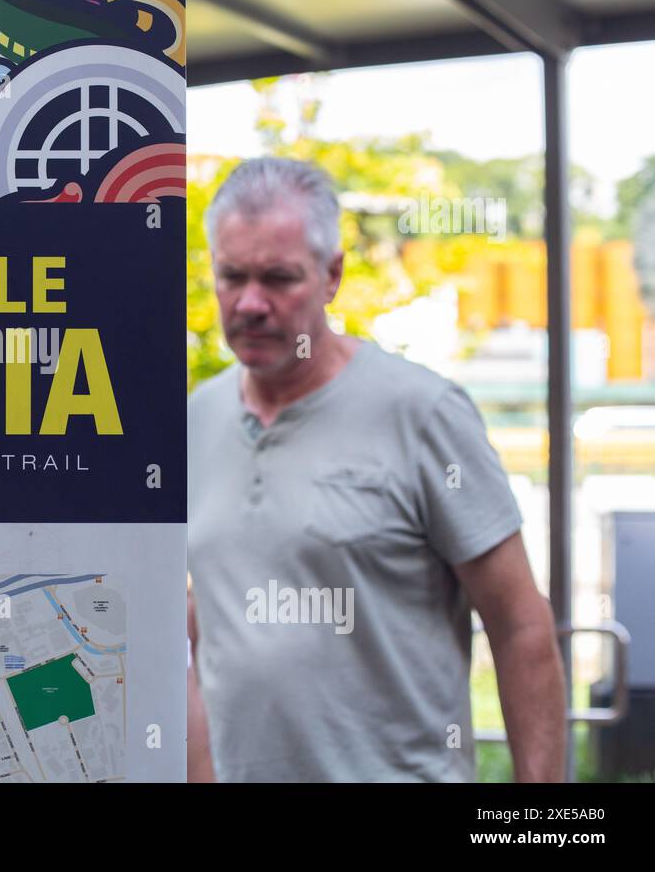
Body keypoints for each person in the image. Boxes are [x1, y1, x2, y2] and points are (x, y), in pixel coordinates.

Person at [187, 157, 566, 782]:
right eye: (232, 277)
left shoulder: (422, 413)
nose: (250, 304)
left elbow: (521, 625)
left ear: (332, 274)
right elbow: (217, 617)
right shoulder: (197, 421)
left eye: (279, 279)